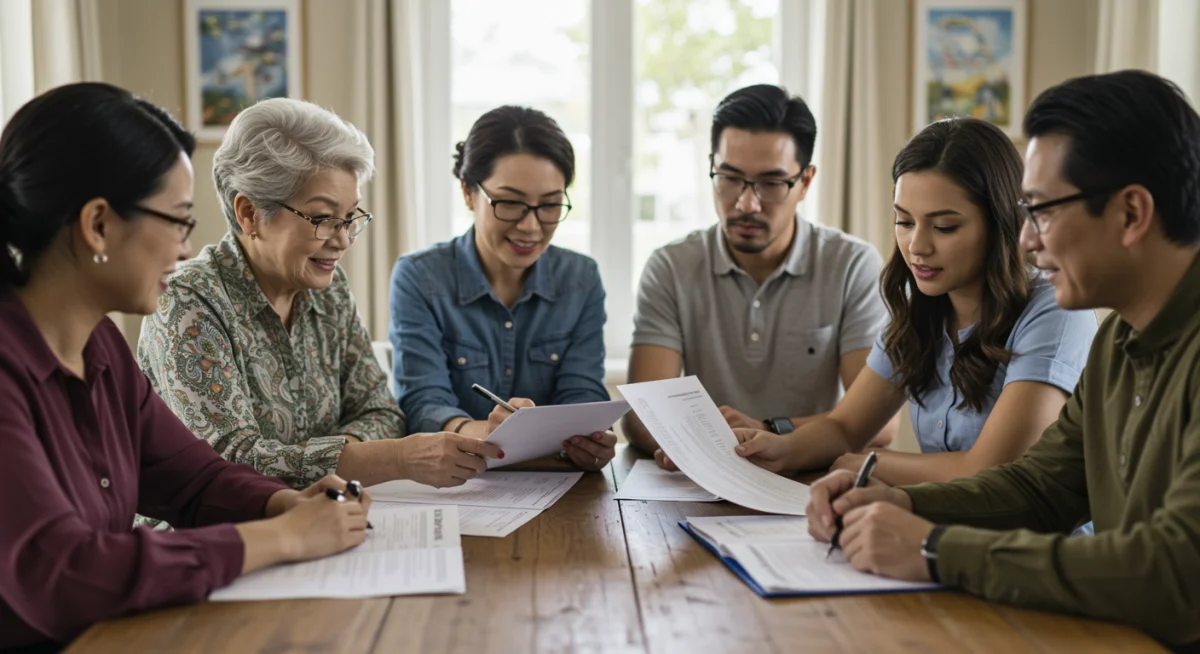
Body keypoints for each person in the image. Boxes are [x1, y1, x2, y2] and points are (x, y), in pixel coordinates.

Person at [803, 71, 1200, 649]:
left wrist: (933, 547)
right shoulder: (1120, 341)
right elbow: (1041, 489)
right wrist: (901, 502)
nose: (1027, 241)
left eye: (1040, 212)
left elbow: (1172, 573)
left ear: (1131, 213)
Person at [0, 83, 372, 650]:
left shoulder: (100, 347)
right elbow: (61, 573)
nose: (183, 247)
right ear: (98, 225)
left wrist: (284, 503)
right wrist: (281, 539)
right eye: (177, 220)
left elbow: (192, 478)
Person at [138, 98, 501, 490]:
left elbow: (381, 410)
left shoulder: (329, 289)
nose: (343, 240)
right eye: (324, 218)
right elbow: (229, 462)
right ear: (249, 213)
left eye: (350, 218)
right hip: (213, 540)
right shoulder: (187, 300)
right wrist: (387, 458)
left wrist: (335, 459)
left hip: (324, 519)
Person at [729, 118, 1097, 486]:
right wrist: (779, 448)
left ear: (999, 223)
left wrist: (869, 464)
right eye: (904, 222)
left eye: (944, 227)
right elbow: (844, 427)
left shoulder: (1054, 310)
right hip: (939, 530)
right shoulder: (920, 307)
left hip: (1031, 541)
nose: (917, 247)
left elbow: (991, 470)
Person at [622, 84, 897, 465]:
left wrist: (769, 430)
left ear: (806, 182)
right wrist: (704, 442)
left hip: (809, 477)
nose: (746, 203)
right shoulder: (671, 267)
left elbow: (880, 426)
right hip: (704, 474)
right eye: (729, 177)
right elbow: (641, 416)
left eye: (770, 183)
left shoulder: (852, 265)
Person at [389, 106, 616, 472]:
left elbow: (583, 392)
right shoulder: (420, 277)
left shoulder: (581, 279)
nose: (531, 226)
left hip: (558, 483)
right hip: (459, 481)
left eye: (550, 205)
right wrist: (486, 434)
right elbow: (423, 405)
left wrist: (589, 440)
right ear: (468, 192)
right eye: (510, 203)